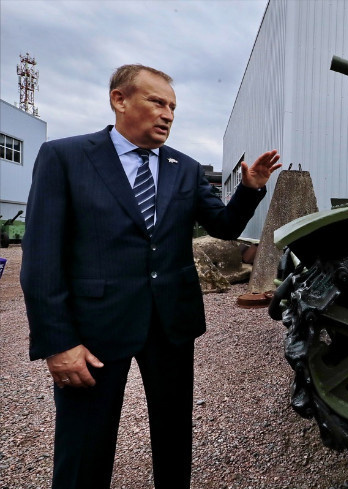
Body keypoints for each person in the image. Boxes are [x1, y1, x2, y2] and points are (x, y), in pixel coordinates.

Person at [20, 64, 281, 489]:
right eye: (157, 102)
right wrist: (57, 342)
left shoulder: (185, 168)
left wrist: (250, 188)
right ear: (119, 100)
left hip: (170, 323)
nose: (168, 114)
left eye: (173, 107)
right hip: (94, 328)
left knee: (174, 433)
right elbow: (42, 257)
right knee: (84, 443)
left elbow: (224, 227)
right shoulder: (65, 157)